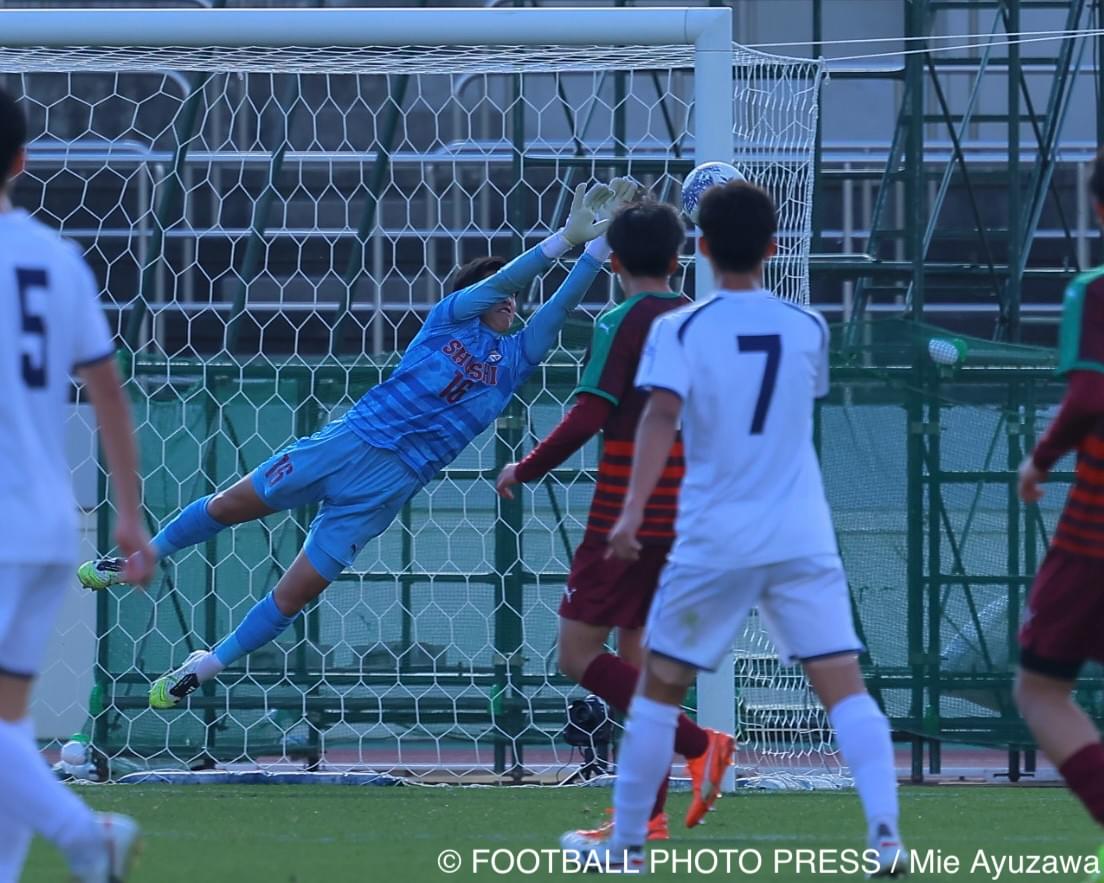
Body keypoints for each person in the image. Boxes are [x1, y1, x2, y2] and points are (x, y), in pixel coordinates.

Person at [79, 177, 637, 710]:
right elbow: (507, 279)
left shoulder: (514, 360)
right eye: (500, 292)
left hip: (390, 485)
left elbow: (559, 308)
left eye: (514, 298)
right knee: (230, 507)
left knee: (296, 594)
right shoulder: (448, 321)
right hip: (351, 441)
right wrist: (563, 241)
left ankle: (204, 667)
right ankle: (137, 558)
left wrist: (597, 250)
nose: (510, 300)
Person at [563, 180, 907, 876]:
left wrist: (631, 511)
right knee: (844, 689)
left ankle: (627, 849)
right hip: (799, 534)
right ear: (774, 248)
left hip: (715, 536)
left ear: (701, 247)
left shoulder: (680, 330)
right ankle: (886, 839)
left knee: (657, 691)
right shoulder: (808, 327)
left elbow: (661, 418)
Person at [495, 200, 732, 841]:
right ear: (678, 261)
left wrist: (526, 467)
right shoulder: (700, 320)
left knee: (577, 656)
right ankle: (643, 817)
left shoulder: (621, 321)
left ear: (615, 262)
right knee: (642, 667)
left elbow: (590, 414)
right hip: (688, 515)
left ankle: (698, 744)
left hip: (626, 515)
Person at [0, 86, 154, 883]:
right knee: (7, 723)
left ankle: (85, 833)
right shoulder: (57, 257)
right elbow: (107, 389)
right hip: (47, 523)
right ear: (22, 161)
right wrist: (128, 513)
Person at [1015, 147, 1104, 846]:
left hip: (1095, 532)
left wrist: (1039, 460)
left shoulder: (1094, 291)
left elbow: (1089, 396)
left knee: (1041, 687)